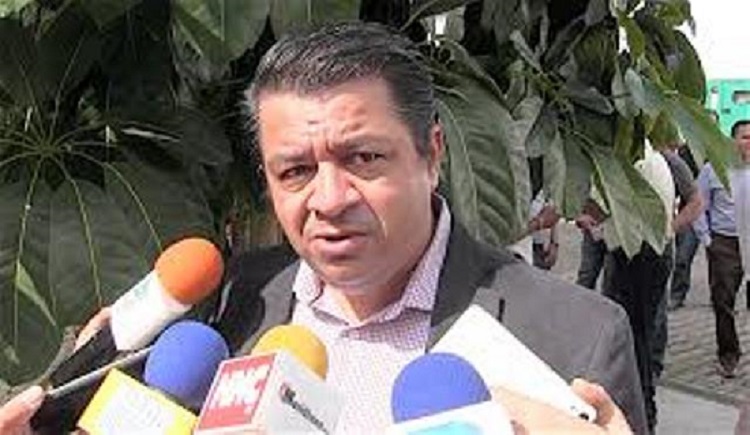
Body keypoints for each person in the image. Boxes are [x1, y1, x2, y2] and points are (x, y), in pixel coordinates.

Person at [0, 22, 645, 434]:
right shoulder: (225, 305)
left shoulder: (578, 338)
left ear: (431, 154)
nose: (329, 200)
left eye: (363, 158)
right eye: (296, 171)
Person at [601, 141, 701, 433]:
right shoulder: (635, 156)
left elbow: (695, 202)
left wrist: (667, 229)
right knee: (639, 332)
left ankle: (642, 409)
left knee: (639, 334)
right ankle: (640, 406)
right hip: (636, 250)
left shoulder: (657, 159)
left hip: (642, 254)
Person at [693, 119, 750, 379]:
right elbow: (698, 205)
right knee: (723, 301)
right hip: (725, 243)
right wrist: (707, 240)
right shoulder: (713, 169)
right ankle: (728, 355)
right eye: (745, 137)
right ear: (732, 141)